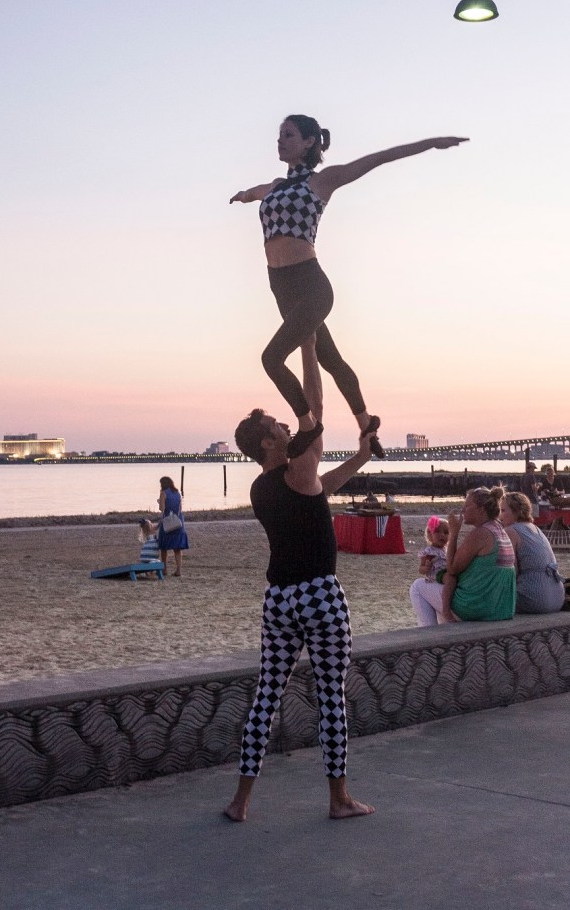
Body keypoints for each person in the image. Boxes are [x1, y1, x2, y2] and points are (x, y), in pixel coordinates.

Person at [230, 115, 467, 458]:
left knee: (272, 358)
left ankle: (308, 426)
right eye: (278, 135)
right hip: (280, 287)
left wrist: (431, 142)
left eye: (288, 134)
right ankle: (366, 422)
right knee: (331, 359)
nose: (279, 140)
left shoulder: (322, 181)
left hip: (310, 285)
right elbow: (255, 193)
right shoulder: (274, 186)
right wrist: (242, 195)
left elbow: (378, 158)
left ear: (309, 141)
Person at [224, 337, 375, 823]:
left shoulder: (263, 484)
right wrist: (310, 344)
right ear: (268, 442)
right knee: (331, 699)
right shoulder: (296, 467)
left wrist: (359, 460)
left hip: (278, 601)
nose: (288, 425)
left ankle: (240, 802)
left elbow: (319, 490)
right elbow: (316, 407)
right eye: (278, 426)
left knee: (266, 696)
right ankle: (339, 800)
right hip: (318, 596)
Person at [409, 487, 516, 626]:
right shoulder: (500, 531)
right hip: (500, 609)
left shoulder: (480, 533)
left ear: (481, 510)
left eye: (467, 505)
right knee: (440, 599)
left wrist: (453, 534)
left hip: (476, 608)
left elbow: (452, 568)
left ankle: (427, 636)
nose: (463, 510)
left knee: (417, 586)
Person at [498, 492, 565, 614]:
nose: (499, 516)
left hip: (535, 599)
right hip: (557, 597)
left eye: (503, 511)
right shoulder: (535, 528)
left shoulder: (510, 531)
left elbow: (511, 572)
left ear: (517, 511)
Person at [156, 476, 188, 577]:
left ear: (163, 484)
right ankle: (178, 570)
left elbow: (162, 508)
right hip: (178, 522)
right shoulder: (177, 492)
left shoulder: (163, 493)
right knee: (177, 548)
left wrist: (159, 501)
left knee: (164, 547)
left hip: (168, 522)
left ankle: (164, 569)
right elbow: (180, 508)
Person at [418, 515, 449, 582]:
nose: (442, 535)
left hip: (445, 575)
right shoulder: (430, 551)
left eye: (446, 532)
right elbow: (421, 569)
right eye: (437, 531)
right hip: (435, 578)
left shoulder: (446, 550)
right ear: (430, 535)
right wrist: (426, 568)